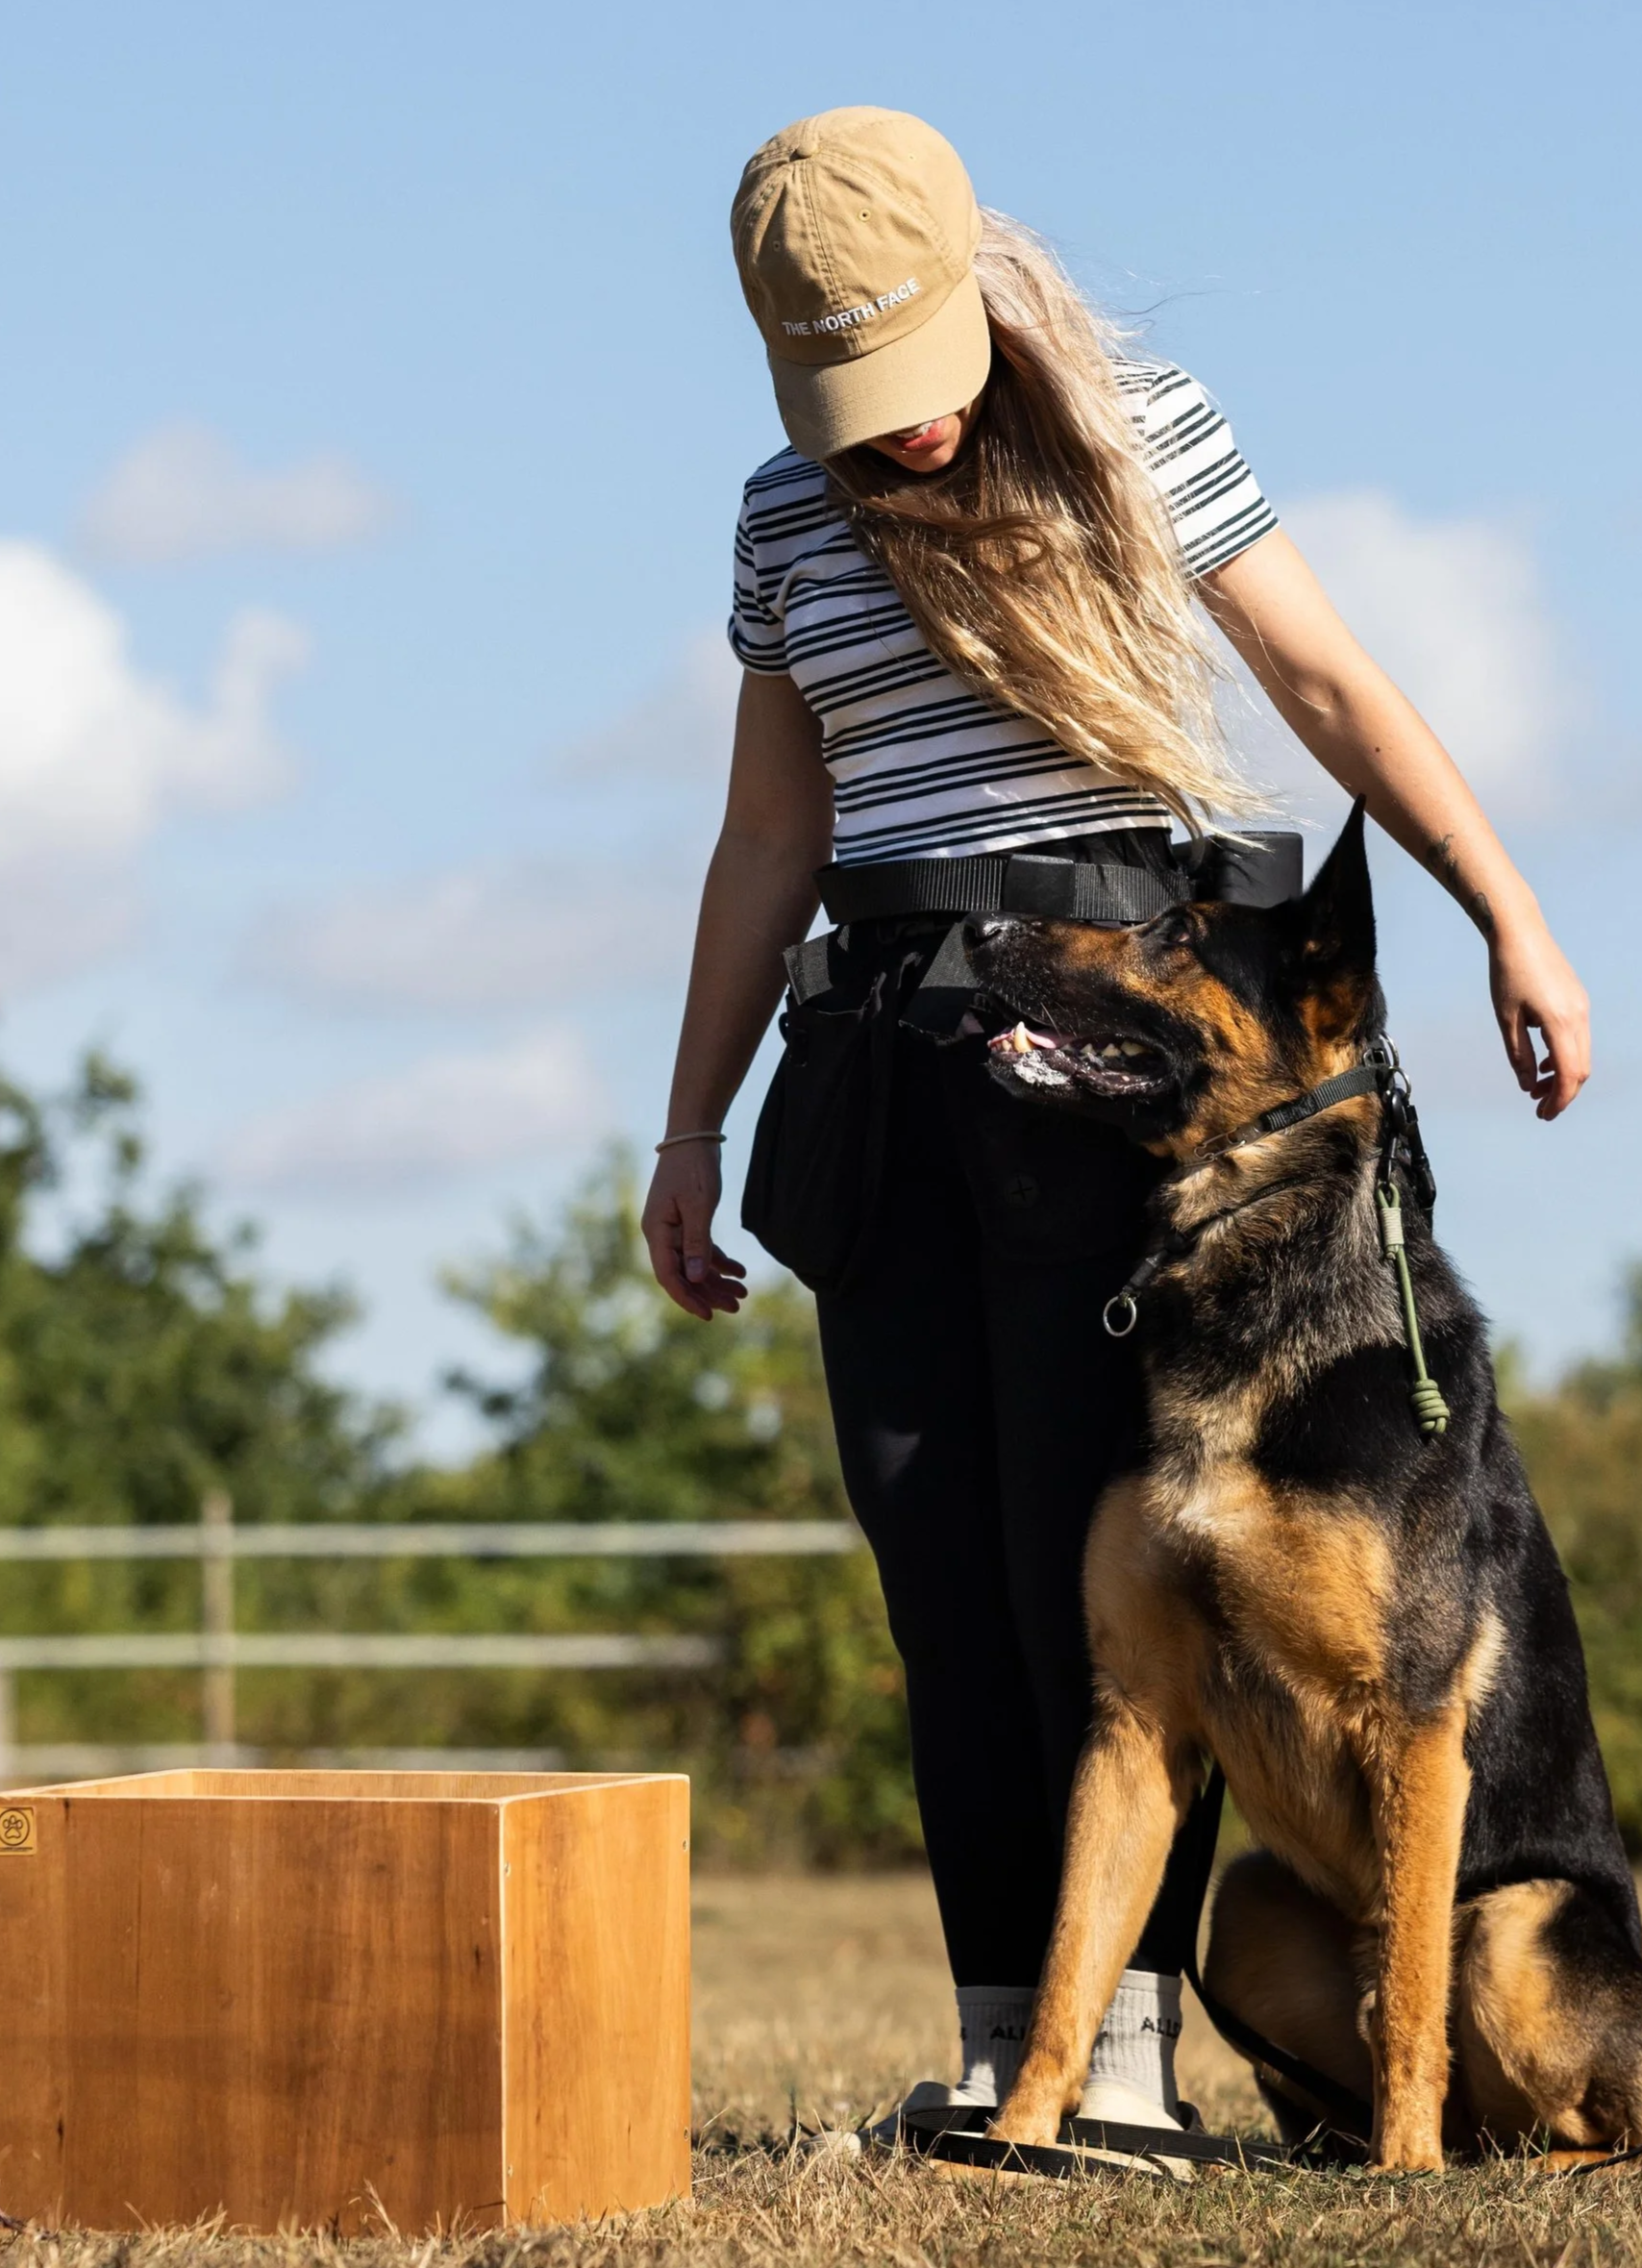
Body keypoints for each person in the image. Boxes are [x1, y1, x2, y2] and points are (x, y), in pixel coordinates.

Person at [641, 106, 1590, 2136]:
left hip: (1111, 1080)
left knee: (1073, 1589)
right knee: (935, 1587)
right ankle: (1009, 2051)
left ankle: (1132, 2074)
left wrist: (1504, 909)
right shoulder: (780, 517)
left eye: (905, 380)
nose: (890, 432)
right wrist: (687, 1122)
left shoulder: (1138, 425)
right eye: (844, 398)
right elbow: (763, 833)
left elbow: (1325, 684)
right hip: (888, 1078)